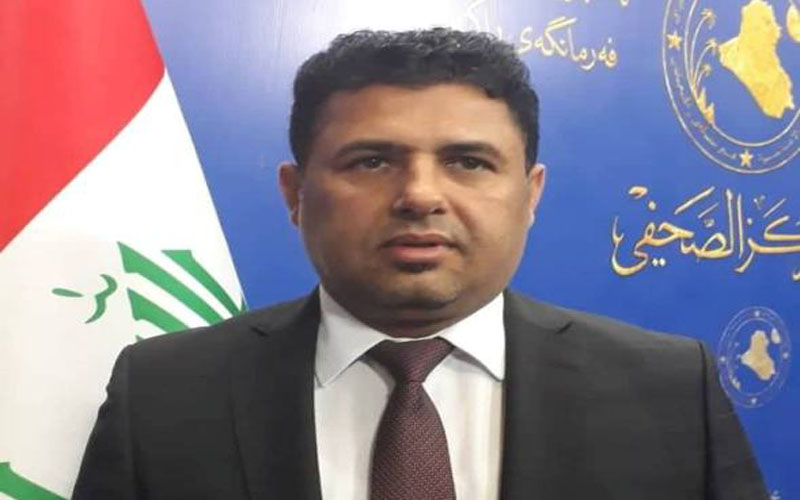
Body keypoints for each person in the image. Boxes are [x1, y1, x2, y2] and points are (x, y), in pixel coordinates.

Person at [73, 28, 768, 500]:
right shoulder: (165, 394)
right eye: (372, 161)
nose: (419, 196)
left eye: (468, 162)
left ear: (530, 195)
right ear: (294, 194)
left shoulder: (669, 389)